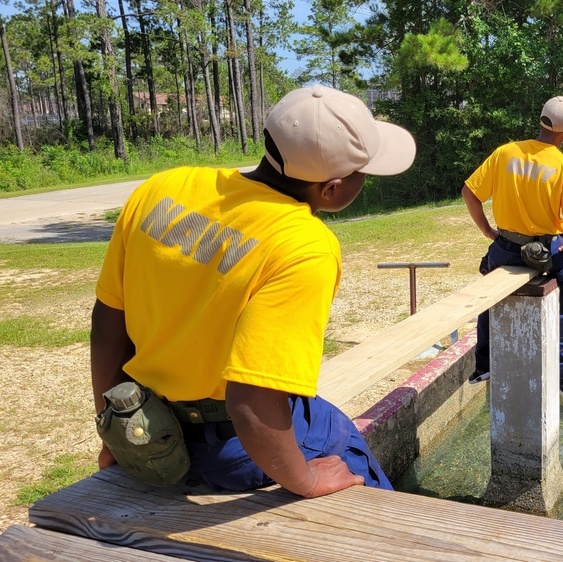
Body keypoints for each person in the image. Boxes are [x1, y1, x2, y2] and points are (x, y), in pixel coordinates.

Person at [91, 85, 415, 496]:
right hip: (228, 449)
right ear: (331, 189)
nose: (365, 180)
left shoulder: (161, 188)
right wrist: (307, 479)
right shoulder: (302, 244)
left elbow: (107, 322)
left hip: (149, 427)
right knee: (337, 436)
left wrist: (114, 431)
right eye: (363, 174)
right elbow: (252, 401)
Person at [463, 95, 563, 400]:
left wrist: (487, 230)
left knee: (489, 292)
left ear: (542, 121)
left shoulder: (506, 152)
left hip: (505, 246)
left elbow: (469, 192)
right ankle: (561, 373)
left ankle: (484, 365)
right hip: (547, 253)